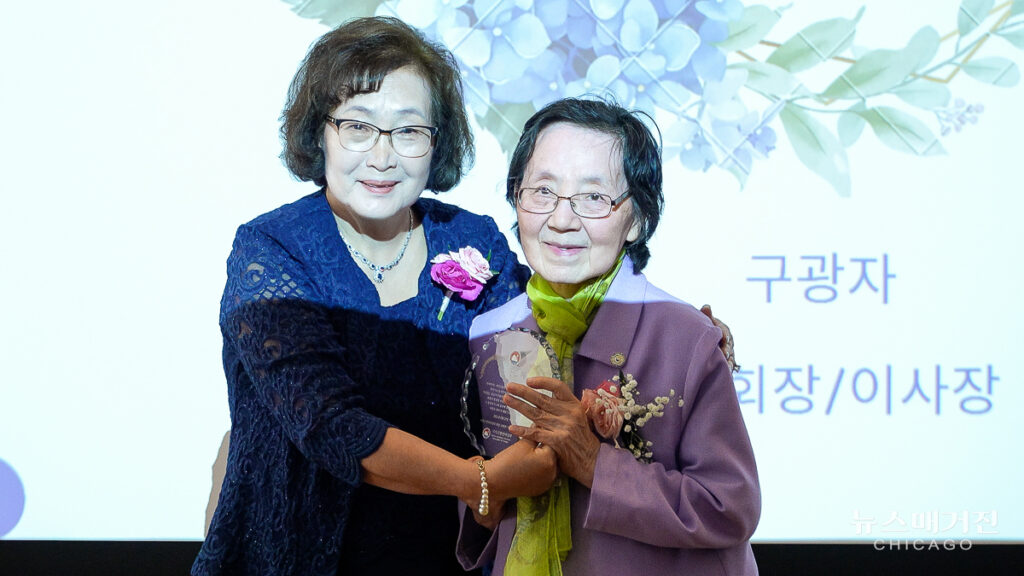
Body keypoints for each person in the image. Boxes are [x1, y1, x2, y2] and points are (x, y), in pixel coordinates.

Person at [192, 17, 558, 575]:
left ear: (437, 142)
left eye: (408, 131)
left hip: (445, 555)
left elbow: (529, 378)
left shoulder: (473, 240)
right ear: (319, 132)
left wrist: (675, 341)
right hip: (297, 558)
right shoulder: (271, 249)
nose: (383, 157)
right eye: (358, 127)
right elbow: (328, 422)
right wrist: (476, 481)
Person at [457, 98, 761, 575]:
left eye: (594, 198)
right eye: (542, 191)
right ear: (516, 198)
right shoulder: (490, 333)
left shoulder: (687, 338)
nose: (561, 219)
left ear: (636, 218)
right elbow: (483, 502)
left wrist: (592, 462)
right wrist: (489, 493)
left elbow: (729, 507)